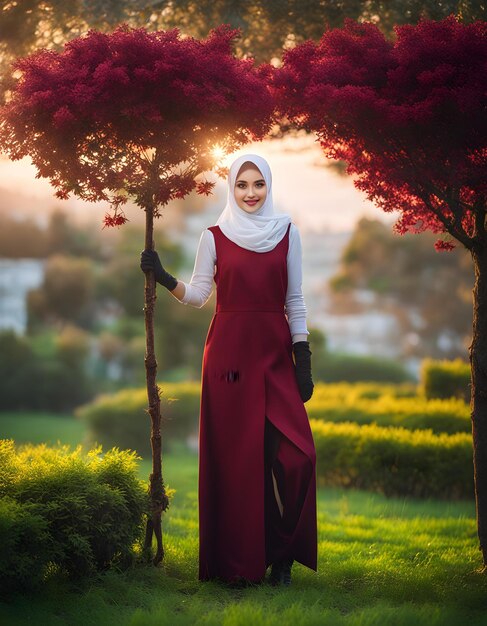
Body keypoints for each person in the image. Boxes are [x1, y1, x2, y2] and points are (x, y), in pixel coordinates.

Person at [140, 153, 317, 588]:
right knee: (239, 463)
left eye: (258, 184)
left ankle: (282, 554)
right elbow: (201, 294)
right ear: (231, 189)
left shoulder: (287, 232)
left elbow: (294, 300)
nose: (251, 193)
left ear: (268, 187)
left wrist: (303, 356)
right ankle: (240, 564)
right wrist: (164, 277)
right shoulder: (213, 236)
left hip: (275, 355)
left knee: (298, 458)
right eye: (242, 185)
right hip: (228, 359)